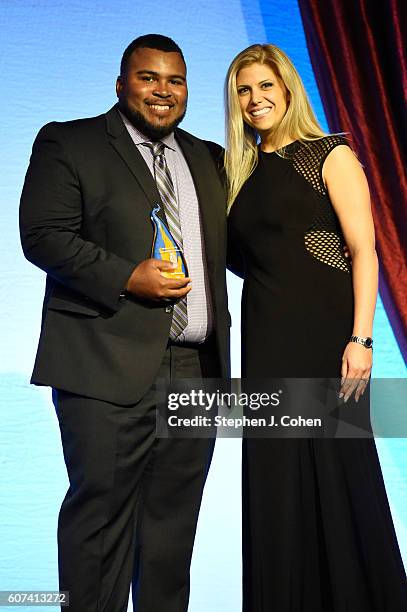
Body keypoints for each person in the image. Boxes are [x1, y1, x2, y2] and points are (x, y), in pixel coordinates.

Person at [20, 34, 229, 612]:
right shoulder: (70, 142)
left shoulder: (208, 158)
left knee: (171, 536)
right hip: (103, 366)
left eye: (175, 80)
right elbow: (43, 235)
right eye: (148, 78)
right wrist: (125, 275)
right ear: (120, 84)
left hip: (198, 373)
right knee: (100, 526)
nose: (163, 91)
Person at [225, 44, 407, 611]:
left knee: (336, 467)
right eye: (244, 90)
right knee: (275, 479)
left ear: (288, 89)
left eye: (265, 86)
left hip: (324, 340)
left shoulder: (329, 155)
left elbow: (364, 251)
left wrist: (362, 338)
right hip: (265, 340)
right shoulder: (241, 171)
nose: (256, 100)